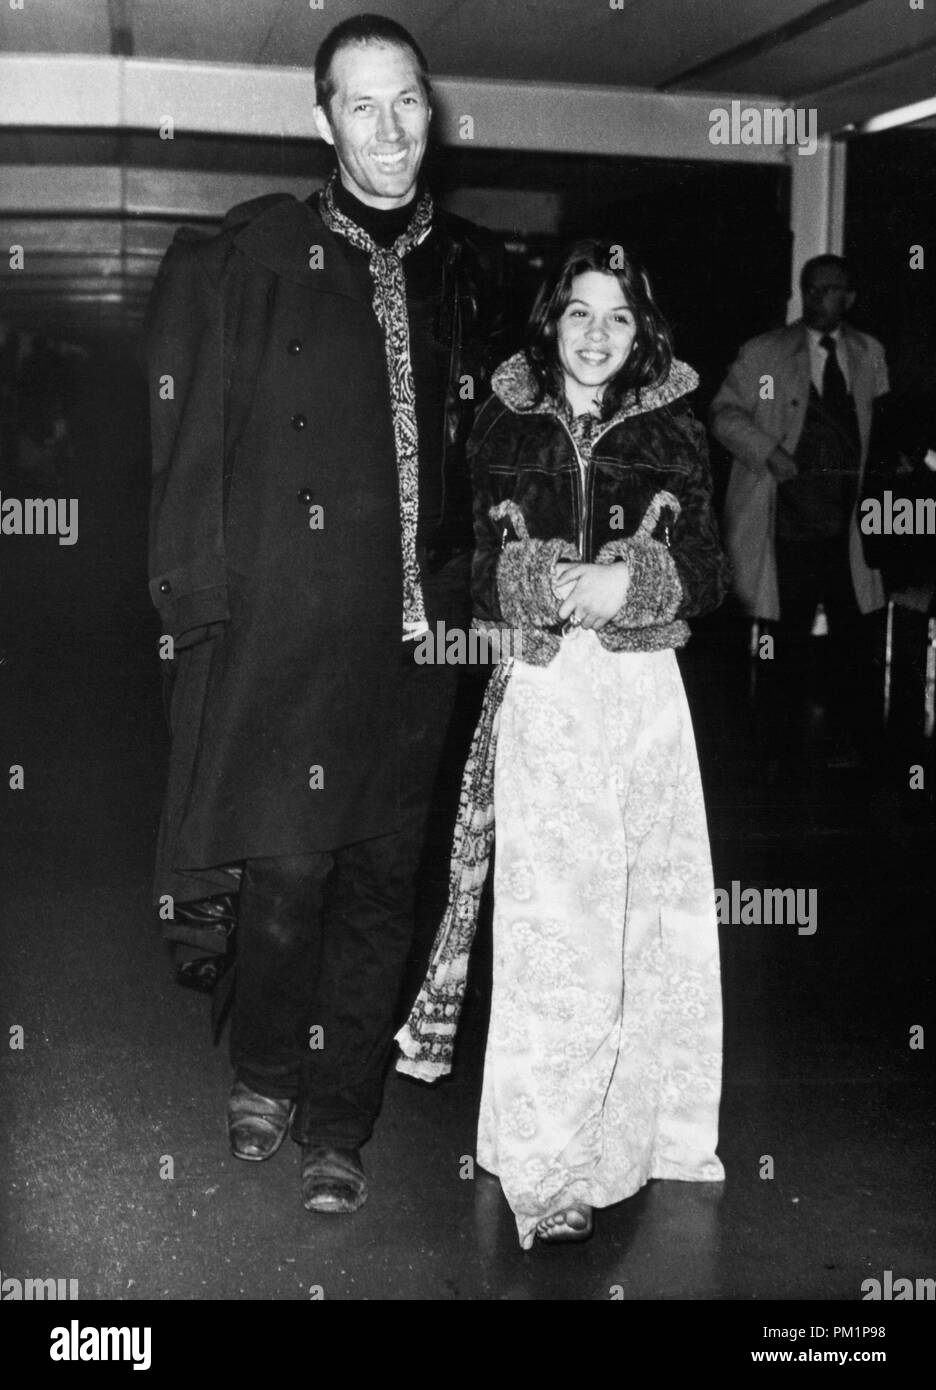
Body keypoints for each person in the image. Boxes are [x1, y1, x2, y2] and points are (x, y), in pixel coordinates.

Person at [145, 13, 505, 1214]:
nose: (391, 128)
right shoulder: (250, 255)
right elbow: (192, 443)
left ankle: (340, 1119)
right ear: (323, 121)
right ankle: (263, 1068)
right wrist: (196, 602)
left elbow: (510, 457)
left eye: (407, 101)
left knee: (379, 886)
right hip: (289, 629)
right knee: (287, 877)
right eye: (363, 105)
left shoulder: (478, 271)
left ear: (430, 111)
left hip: (421, 642)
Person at [397, 239, 728, 1247]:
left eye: (618, 317)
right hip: (545, 695)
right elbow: (454, 561)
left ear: (644, 333)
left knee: (645, 919)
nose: (596, 334)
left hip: (643, 698)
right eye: (579, 313)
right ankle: (548, 1167)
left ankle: (638, 1139)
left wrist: (638, 582)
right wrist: (536, 584)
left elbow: (712, 567)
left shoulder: (675, 428)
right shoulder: (501, 420)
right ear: (551, 324)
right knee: (556, 932)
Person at [711, 255, 890, 757]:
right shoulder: (764, 352)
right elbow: (723, 413)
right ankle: (774, 751)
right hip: (784, 526)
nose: (814, 299)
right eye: (808, 290)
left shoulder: (869, 353)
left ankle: (851, 752)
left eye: (826, 291)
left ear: (849, 297)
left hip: (849, 529)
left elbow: (887, 422)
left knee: (854, 640)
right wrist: (767, 451)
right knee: (780, 643)